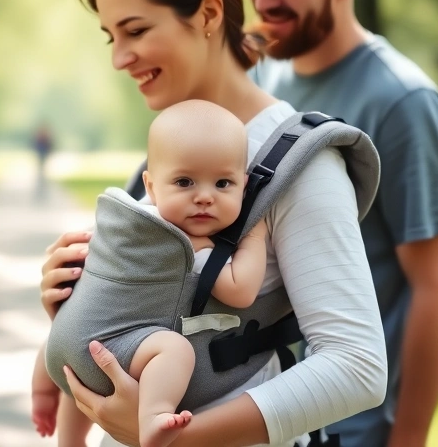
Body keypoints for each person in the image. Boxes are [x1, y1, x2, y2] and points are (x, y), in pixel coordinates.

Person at [39, 0, 387, 447]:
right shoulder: (172, 157)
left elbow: (357, 366)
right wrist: (75, 303)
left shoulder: (302, 165)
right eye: (112, 37)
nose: (119, 58)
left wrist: (179, 438)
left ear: (207, 14)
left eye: (135, 31)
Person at [241, 0, 438, 446]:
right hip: (268, 416)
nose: (263, 0)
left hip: (356, 429)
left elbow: (437, 287)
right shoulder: (262, 78)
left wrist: (407, 438)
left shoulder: (403, 103)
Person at [33, 99, 269, 447]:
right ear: (152, 184)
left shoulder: (124, 224)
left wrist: (44, 388)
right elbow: (240, 290)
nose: (204, 197)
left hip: (61, 349)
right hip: (110, 352)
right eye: (185, 182)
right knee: (174, 350)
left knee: (77, 341)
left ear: (242, 184)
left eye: (222, 184)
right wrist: (257, 234)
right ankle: (154, 417)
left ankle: (57, 421)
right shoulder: (187, 245)